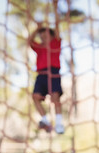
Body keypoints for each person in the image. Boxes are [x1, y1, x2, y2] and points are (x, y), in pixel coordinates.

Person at [28, 3, 64, 134]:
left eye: (46, 35)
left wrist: (55, 8)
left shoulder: (56, 43)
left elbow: (58, 25)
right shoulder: (39, 47)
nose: (43, 37)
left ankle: (59, 124)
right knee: (36, 96)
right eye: (41, 36)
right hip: (41, 74)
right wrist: (37, 29)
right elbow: (29, 42)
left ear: (52, 36)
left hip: (53, 72)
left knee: (55, 98)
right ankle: (45, 120)